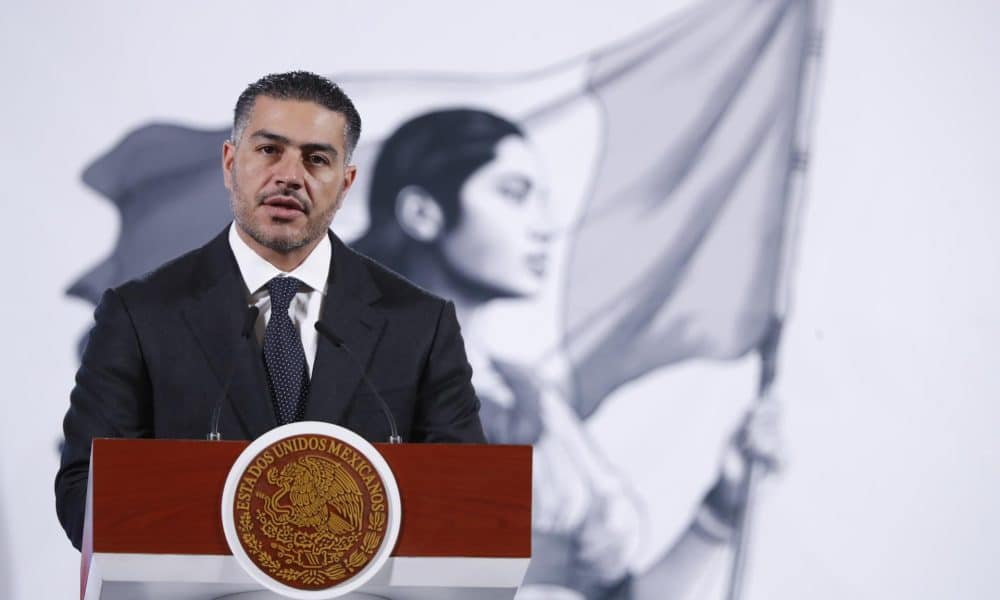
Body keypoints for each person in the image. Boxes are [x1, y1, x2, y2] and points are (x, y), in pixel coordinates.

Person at [353, 108, 781, 600]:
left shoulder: (528, 396)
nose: (544, 226)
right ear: (422, 213)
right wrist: (533, 559)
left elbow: (615, 595)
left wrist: (718, 514)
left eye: (542, 200)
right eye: (514, 194)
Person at [54, 72, 486, 550]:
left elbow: (466, 499)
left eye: (316, 159)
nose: (289, 176)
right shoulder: (141, 315)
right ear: (229, 163)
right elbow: (83, 494)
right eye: (268, 150)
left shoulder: (420, 323)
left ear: (346, 183)